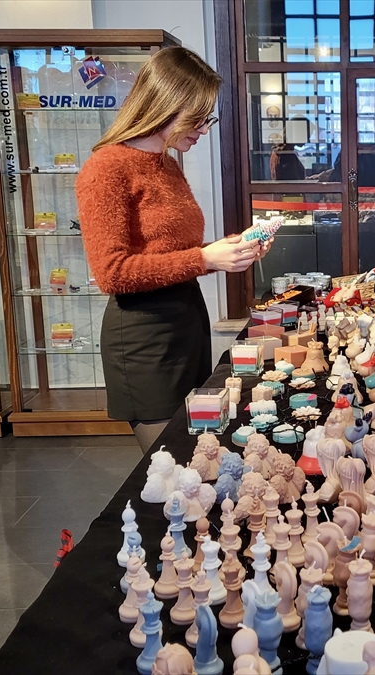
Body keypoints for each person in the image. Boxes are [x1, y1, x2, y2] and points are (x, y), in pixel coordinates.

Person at [77, 47, 268, 452]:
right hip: (144, 336)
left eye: (207, 119)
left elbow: (174, 252)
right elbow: (112, 273)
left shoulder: (167, 165)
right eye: (198, 118)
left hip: (187, 322)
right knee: (173, 466)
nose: (203, 130)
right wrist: (204, 258)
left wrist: (226, 252)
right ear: (166, 104)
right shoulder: (107, 167)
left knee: (201, 453)